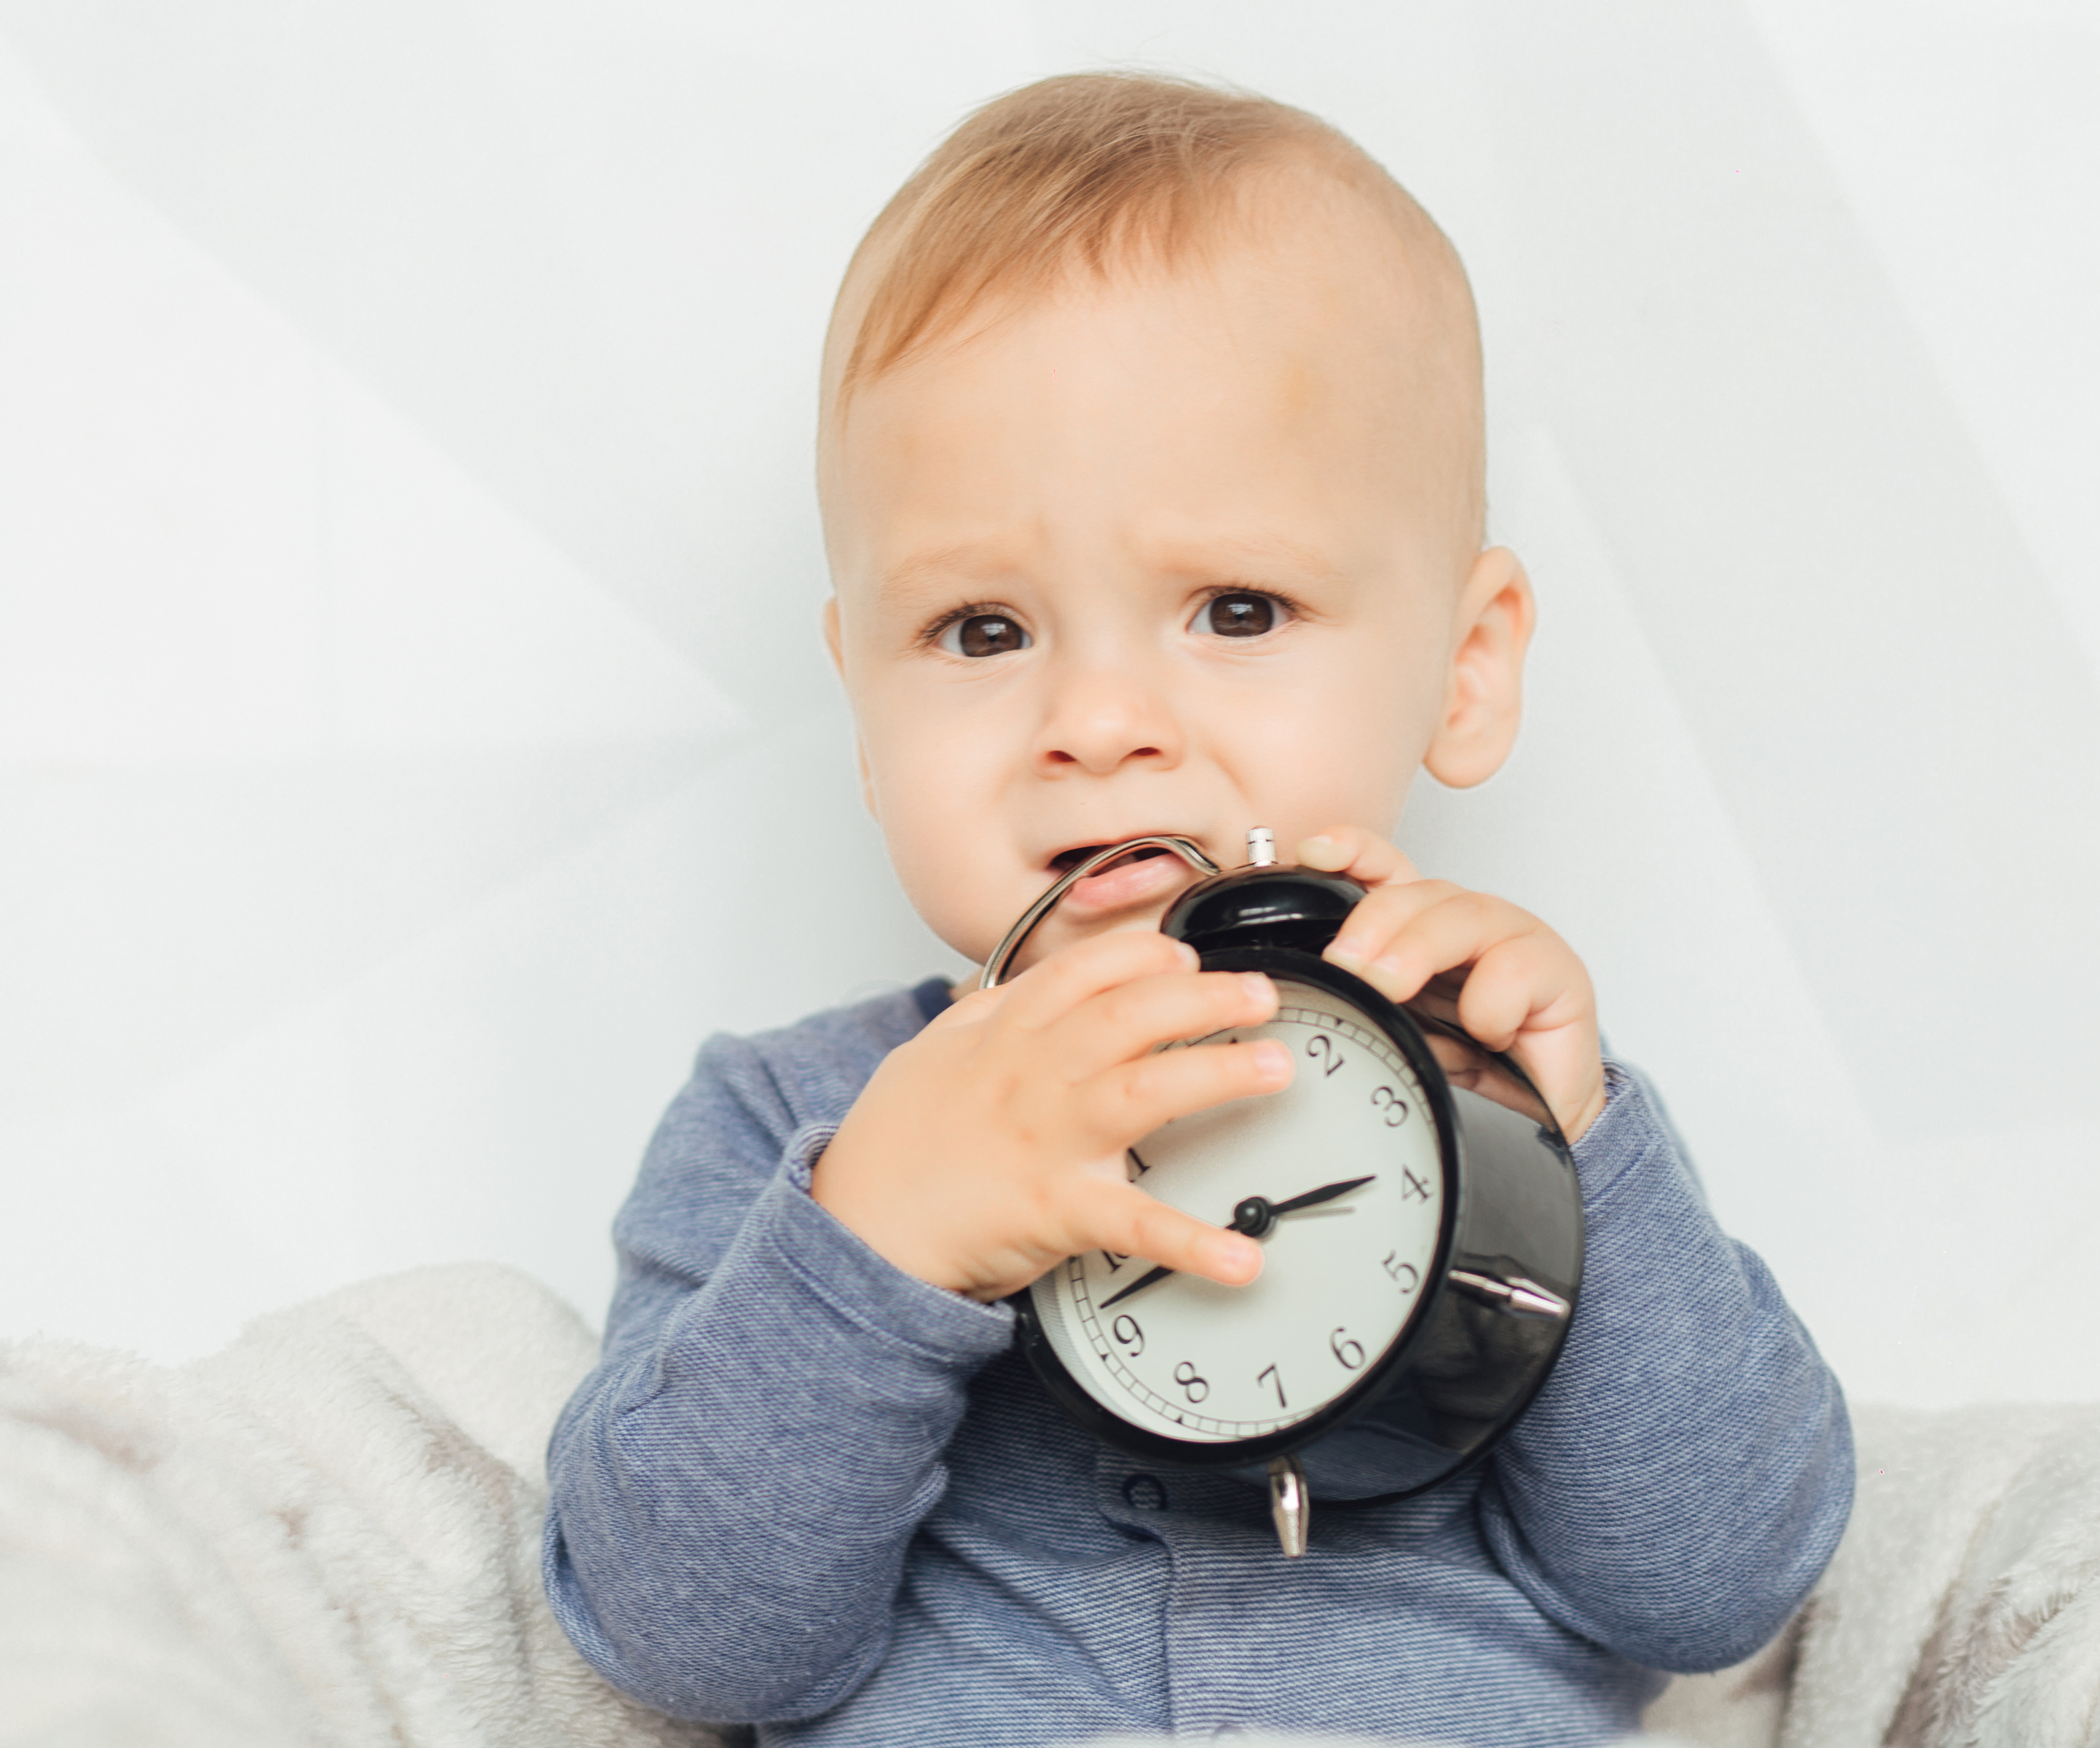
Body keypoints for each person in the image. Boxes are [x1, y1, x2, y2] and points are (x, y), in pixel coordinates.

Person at [542, 71, 1852, 1748]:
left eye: (1236, 609)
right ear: (863, 707)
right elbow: (683, 1646)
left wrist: (1570, 1147)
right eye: (982, 631)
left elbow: (1720, 1588)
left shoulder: (1511, 1094)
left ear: (1464, 669)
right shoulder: (789, 1125)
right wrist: (881, 1234)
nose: (1099, 723)